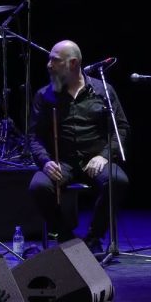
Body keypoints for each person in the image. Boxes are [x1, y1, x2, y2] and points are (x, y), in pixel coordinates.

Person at [28, 40, 130, 253]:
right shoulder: (45, 95)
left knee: (118, 181)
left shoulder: (102, 91)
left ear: (73, 63)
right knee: (38, 186)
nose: (48, 65)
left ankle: (94, 238)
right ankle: (66, 237)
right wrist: (45, 162)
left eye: (55, 60)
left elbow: (120, 128)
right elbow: (34, 136)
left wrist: (104, 155)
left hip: (95, 160)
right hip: (62, 161)